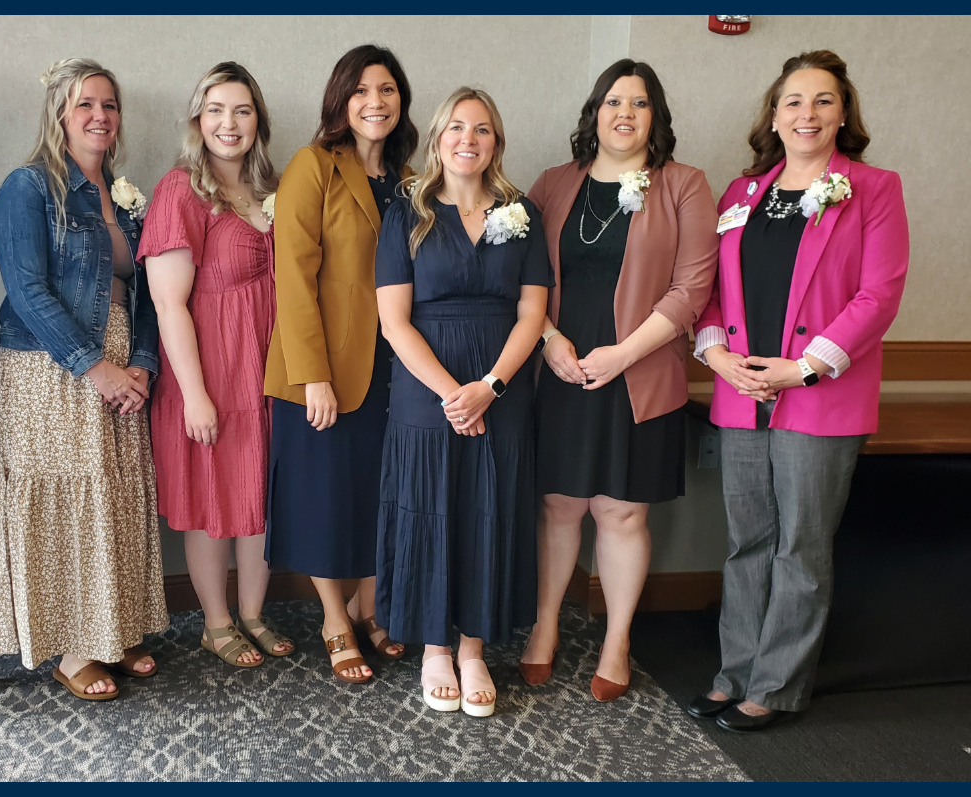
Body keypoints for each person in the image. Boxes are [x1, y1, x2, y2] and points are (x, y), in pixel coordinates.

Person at [688, 50, 909, 733]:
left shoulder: (872, 187)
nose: (805, 113)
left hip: (821, 395)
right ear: (774, 115)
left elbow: (879, 294)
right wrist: (717, 352)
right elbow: (711, 291)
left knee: (801, 546)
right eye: (793, 101)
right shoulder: (740, 195)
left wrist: (803, 367)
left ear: (843, 113)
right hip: (741, 393)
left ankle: (776, 686)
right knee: (746, 540)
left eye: (821, 100)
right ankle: (735, 673)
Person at [518, 59, 719, 701]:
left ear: (654, 116)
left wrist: (621, 354)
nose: (623, 114)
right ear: (593, 113)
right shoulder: (552, 183)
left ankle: (616, 642)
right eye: (612, 102)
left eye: (638, 103)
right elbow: (522, 279)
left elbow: (692, 288)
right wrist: (548, 341)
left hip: (640, 375)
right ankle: (544, 628)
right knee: (557, 506)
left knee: (621, 513)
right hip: (559, 371)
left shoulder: (683, 185)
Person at [0, 58, 168, 701]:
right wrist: (98, 367)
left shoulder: (123, 194)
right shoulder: (28, 188)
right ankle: (71, 647)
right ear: (59, 113)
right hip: (53, 369)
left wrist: (140, 365)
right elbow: (28, 292)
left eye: (109, 105)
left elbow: (146, 292)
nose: (100, 115)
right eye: (85, 103)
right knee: (65, 504)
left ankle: (111, 628)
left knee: (111, 499)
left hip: (120, 366)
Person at [376, 87, 553, 717]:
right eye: (456, 127)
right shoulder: (406, 212)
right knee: (429, 508)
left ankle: (474, 648)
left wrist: (490, 389)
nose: (467, 139)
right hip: (427, 392)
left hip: (501, 388)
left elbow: (533, 314)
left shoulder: (522, 212)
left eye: (481, 129)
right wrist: (454, 393)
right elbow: (394, 320)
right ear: (437, 139)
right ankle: (433, 649)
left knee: (489, 508)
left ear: (495, 142)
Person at [263, 44, 417, 683]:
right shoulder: (313, 166)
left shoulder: (413, 179)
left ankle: (372, 603)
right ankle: (334, 617)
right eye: (361, 92)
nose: (374, 103)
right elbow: (292, 277)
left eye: (385, 90)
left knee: (384, 490)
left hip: (398, 367)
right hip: (324, 370)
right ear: (340, 102)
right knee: (328, 497)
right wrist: (313, 375)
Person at [139, 62, 293, 668]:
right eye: (217, 110)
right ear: (198, 120)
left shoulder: (273, 190)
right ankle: (216, 621)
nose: (229, 124)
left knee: (260, 493)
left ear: (258, 121)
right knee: (210, 499)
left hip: (269, 371)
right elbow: (168, 302)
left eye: (243, 111)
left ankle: (253, 612)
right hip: (208, 372)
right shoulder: (181, 190)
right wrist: (195, 394)